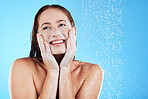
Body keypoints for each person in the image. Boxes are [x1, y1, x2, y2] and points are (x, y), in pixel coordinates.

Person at [9, 4, 103, 99]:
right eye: (46, 27)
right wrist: (53, 72)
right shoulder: (23, 67)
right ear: (38, 37)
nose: (55, 33)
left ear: (74, 32)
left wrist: (65, 68)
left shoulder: (90, 71)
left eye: (61, 25)